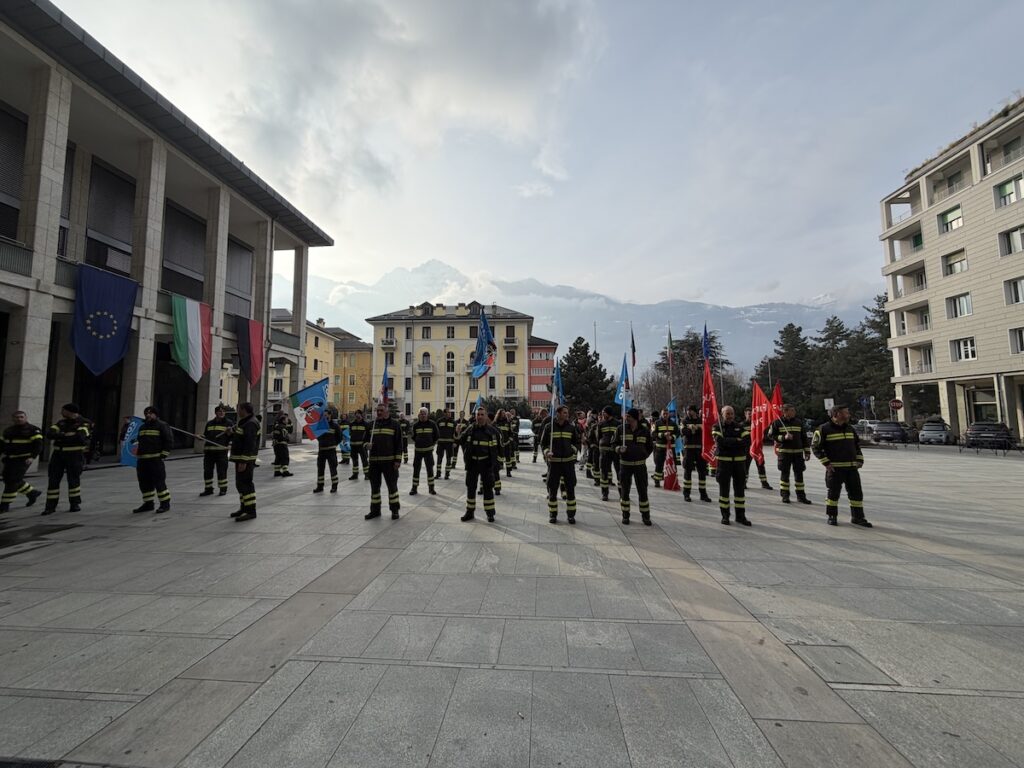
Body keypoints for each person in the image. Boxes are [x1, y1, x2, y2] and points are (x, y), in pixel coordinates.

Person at [812, 405, 871, 527]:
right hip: (835, 469)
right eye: (846, 413)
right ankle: (832, 516)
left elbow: (856, 446)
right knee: (833, 494)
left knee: (856, 494)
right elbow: (816, 447)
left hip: (851, 468)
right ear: (837, 414)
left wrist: (860, 460)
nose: (848, 415)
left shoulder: (850, 428)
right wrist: (826, 463)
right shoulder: (824, 429)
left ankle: (858, 517)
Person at [43, 403, 90, 515]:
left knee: (73, 480)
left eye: (63, 410)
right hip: (58, 455)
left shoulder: (83, 423)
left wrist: (61, 436)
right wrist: (66, 435)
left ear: (69, 411)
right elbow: (49, 434)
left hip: (74, 455)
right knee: (53, 479)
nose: (61, 412)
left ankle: (74, 504)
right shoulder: (61, 423)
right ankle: (50, 506)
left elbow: (80, 437)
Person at [541, 405, 581, 524]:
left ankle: (571, 515)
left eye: (567, 413)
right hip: (554, 464)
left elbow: (577, 442)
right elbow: (543, 443)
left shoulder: (571, 427)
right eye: (564, 412)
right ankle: (553, 514)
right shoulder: (549, 427)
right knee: (552, 491)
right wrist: (547, 452)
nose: (566, 415)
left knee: (570, 490)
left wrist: (572, 449)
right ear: (557, 413)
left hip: (568, 464)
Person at [458, 407, 499, 522]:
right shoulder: (470, 429)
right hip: (472, 463)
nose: (480, 416)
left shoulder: (492, 431)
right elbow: (460, 441)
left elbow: (499, 448)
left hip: (486, 464)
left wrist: (496, 464)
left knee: (488, 488)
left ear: (486, 416)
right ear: (475, 416)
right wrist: (458, 432)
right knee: (471, 488)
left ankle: (490, 513)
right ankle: (470, 512)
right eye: (478, 415)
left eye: (482, 414)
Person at [713, 406, 750, 526]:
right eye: (727, 413)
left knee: (740, 492)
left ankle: (740, 516)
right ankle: (725, 516)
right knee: (724, 491)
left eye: (732, 413)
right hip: (724, 463)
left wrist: (729, 441)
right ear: (722, 414)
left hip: (739, 464)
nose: (730, 416)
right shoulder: (717, 426)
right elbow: (720, 442)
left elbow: (747, 441)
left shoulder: (740, 426)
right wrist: (737, 441)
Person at [615, 407, 652, 525]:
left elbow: (650, 446)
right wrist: (619, 449)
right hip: (625, 466)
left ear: (635, 418)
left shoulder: (645, 431)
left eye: (629, 416)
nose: (626, 418)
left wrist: (643, 455)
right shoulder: (621, 429)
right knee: (625, 491)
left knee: (643, 491)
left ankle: (645, 516)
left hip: (640, 466)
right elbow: (613, 444)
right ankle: (625, 515)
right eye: (626, 416)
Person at [1, 410, 43, 513]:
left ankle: (4, 505)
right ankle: (32, 493)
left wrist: (32, 457)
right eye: (17, 417)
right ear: (13, 419)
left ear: (25, 418)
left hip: (23, 459)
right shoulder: (8, 430)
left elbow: (38, 445)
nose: (19, 419)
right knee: (8, 478)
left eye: (21, 417)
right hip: (10, 459)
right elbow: (1, 445)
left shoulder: (33, 430)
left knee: (13, 481)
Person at [769, 404, 812, 504]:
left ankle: (801, 496)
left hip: (798, 454)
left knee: (799, 475)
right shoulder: (777, 423)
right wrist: (784, 438)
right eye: (792, 410)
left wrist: (807, 451)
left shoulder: (798, 422)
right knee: (785, 475)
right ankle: (785, 495)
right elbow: (771, 435)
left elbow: (804, 438)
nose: (794, 412)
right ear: (785, 411)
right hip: (784, 453)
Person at [133, 406, 173, 514]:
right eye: (146, 413)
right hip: (142, 461)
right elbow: (140, 441)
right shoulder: (142, 427)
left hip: (155, 460)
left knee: (159, 483)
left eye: (150, 413)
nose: (148, 415)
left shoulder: (162, 425)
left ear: (156, 414)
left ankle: (165, 503)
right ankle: (148, 504)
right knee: (144, 483)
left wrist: (163, 455)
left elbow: (168, 441)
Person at [366, 402, 403, 519]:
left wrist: (398, 460)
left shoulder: (395, 425)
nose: (379, 412)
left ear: (387, 411)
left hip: (389, 463)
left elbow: (399, 444)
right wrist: (367, 445)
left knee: (392, 487)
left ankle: (395, 510)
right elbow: (364, 441)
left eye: (381, 410)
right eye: (377, 410)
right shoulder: (372, 425)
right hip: (374, 463)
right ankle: (375, 510)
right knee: (374, 488)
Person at [228, 402, 260, 521]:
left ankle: (251, 511)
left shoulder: (251, 423)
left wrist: (244, 461)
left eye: (238, 409)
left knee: (246, 484)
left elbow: (249, 444)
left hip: (245, 460)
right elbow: (240, 439)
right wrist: (231, 433)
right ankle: (244, 507)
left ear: (244, 410)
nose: (237, 411)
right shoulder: (245, 422)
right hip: (240, 458)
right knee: (240, 485)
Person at [681, 405, 712, 503]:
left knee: (702, 472)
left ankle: (703, 494)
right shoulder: (684, 421)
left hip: (700, 450)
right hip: (688, 449)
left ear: (694, 412)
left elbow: (705, 432)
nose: (688, 412)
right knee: (688, 472)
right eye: (687, 410)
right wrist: (693, 430)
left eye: (690, 411)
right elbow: (683, 431)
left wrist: (694, 429)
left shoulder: (701, 421)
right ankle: (686, 494)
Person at [200, 405, 232, 496]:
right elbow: (206, 436)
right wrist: (200, 437)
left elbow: (233, 436)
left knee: (221, 471)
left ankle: (223, 489)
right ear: (216, 412)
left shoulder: (228, 423)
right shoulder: (209, 423)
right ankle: (208, 489)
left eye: (223, 411)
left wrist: (230, 433)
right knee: (207, 471)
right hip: (209, 452)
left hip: (221, 452)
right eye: (219, 411)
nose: (221, 413)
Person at [742, 406, 773, 491]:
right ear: (745, 414)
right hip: (746, 449)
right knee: (745, 466)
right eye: (749, 414)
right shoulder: (742, 425)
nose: (751, 416)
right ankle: (743, 482)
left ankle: (764, 483)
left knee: (761, 465)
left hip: (757, 448)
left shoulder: (758, 424)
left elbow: (765, 434)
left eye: (752, 414)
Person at [313, 410, 345, 493]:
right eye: (323, 415)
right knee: (320, 469)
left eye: (326, 415)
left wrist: (334, 443)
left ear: (330, 415)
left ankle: (334, 486)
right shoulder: (320, 426)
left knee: (333, 468)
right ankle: (320, 486)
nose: (325, 417)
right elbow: (317, 436)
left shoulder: (335, 426)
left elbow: (340, 437)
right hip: (322, 451)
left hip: (331, 450)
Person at [410, 407, 439, 495]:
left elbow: (437, 435)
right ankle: (414, 488)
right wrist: (419, 442)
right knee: (416, 469)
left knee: (430, 469)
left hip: (428, 452)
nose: (422, 415)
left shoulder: (432, 424)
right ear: (419, 415)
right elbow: (413, 436)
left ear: (427, 415)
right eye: (421, 414)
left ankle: (431, 488)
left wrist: (431, 443)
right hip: (418, 451)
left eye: (424, 414)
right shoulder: (415, 425)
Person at [597, 406, 620, 502]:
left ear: (609, 413)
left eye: (604, 413)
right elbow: (599, 437)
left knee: (620, 473)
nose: (602, 414)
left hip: (616, 452)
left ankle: (622, 494)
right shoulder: (601, 424)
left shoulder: (618, 424)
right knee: (604, 473)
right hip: (604, 452)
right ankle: (604, 494)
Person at [652, 409, 678, 488]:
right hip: (660, 448)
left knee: (672, 465)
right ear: (661, 414)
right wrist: (662, 435)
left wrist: (672, 437)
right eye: (664, 414)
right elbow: (653, 433)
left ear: (669, 414)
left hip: (670, 449)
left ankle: (672, 480)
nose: (665, 415)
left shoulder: (673, 423)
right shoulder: (657, 423)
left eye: (667, 414)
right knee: (659, 465)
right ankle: (657, 480)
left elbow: (678, 433)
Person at [435, 408, 456, 480]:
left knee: (449, 459)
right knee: (439, 458)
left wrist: (455, 442)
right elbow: (436, 431)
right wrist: (436, 440)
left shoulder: (453, 422)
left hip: (449, 443)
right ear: (444, 413)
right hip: (441, 443)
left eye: (449, 412)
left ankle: (447, 474)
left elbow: (455, 433)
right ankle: (438, 473)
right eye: (447, 412)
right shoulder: (439, 421)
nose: (449, 414)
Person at [271, 412, 293, 477]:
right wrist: (287, 439)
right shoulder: (282, 427)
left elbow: (275, 435)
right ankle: (285, 471)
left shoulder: (278, 426)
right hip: (282, 445)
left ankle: (277, 471)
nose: (287, 421)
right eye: (286, 419)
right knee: (285, 457)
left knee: (278, 458)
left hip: (277, 445)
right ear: (283, 420)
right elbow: (282, 436)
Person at [348, 410, 369, 480]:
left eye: (358, 414)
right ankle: (355, 474)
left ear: (361, 415)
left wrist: (366, 443)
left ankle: (367, 474)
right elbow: (350, 433)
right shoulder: (352, 424)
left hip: (362, 446)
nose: (357, 415)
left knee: (364, 460)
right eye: (356, 414)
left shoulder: (365, 424)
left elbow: (368, 435)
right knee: (354, 460)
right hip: (353, 445)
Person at [494, 410, 514, 478]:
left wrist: (510, 439)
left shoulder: (508, 422)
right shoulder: (495, 422)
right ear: (498, 414)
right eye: (502, 413)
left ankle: (508, 472)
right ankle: (497, 471)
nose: (503, 414)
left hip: (507, 443)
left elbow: (511, 432)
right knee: (499, 458)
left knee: (508, 458)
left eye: (504, 413)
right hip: (498, 444)